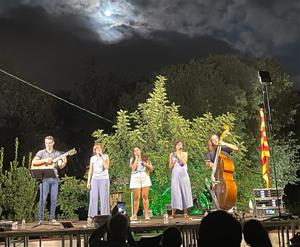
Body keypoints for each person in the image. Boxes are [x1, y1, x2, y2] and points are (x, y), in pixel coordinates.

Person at [32, 135, 67, 225]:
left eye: (49, 143)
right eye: (46, 143)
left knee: (54, 199)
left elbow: (60, 165)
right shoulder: (41, 152)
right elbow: (34, 162)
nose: (48, 144)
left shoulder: (57, 153)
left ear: (53, 143)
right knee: (42, 199)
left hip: (55, 178)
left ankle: (52, 218)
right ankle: (40, 219)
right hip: (44, 178)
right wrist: (45, 161)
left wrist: (64, 162)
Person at [169, 141, 193, 219]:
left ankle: (185, 212)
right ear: (175, 146)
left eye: (181, 145)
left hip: (184, 176)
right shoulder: (172, 154)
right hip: (175, 176)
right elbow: (170, 167)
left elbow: (184, 163)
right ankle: (173, 213)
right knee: (175, 193)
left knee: (185, 192)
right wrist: (173, 163)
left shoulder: (185, 154)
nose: (180, 146)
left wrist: (180, 155)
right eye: (178, 145)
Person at [129, 146, 153, 221]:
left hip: (144, 176)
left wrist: (146, 164)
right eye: (135, 151)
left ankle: (146, 213)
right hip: (135, 177)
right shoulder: (132, 160)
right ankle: (134, 215)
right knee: (136, 197)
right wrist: (136, 158)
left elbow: (151, 169)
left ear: (140, 150)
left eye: (137, 150)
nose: (136, 152)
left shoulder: (145, 158)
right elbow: (133, 168)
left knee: (145, 196)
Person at [87, 143, 110, 220]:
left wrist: (102, 157)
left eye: (99, 149)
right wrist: (88, 181)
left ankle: (105, 215)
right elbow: (90, 170)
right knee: (93, 197)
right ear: (94, 150)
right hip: (95, 179)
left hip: (104, 179)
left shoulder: (106, 156)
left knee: (104, 198)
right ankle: (92, 216)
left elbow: (106, 167)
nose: (98, 150)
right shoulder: (92, 158)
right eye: (96, 149)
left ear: (101, 149)